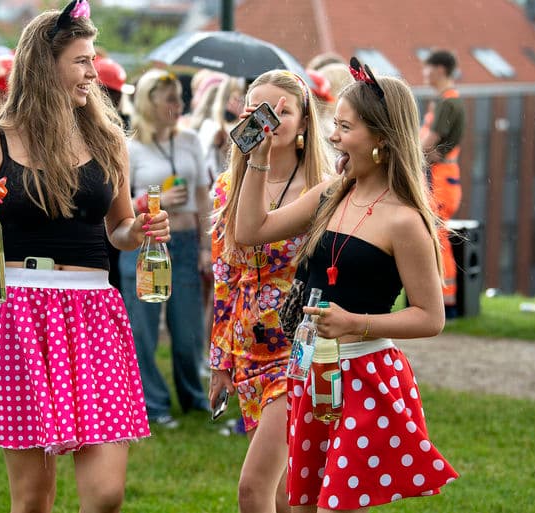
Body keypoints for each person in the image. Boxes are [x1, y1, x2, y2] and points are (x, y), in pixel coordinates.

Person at [0, 2, 169, 511]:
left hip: (93, 310)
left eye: (92, 59)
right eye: (82, 60)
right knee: (33, 499)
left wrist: (143, 229)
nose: (93, 72)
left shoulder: (107, 138)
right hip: (17, 315)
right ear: (45, 67)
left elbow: (119, 231)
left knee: (106, 494)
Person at [235, 57, 458, 511]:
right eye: (334, 124)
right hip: (310, 368)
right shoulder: (331, 193)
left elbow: (430, 318)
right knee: (299, 502)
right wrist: (257, 160)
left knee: (332, 505)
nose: (332, 135)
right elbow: (250, 230)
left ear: (380, 138)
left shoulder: (405, 221)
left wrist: (355, 321)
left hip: (365, 376)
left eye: (345, 126)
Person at [208, 70, 330, 512]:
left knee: (254, 488)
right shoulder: (228, 187)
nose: (271, 120)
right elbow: (225, 280)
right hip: (247, 349)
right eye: (259, 109)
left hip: (299, 346)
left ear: (303, 123)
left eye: (284, 110)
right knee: (287, 492)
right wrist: (220, 362)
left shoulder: (320, 189)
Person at [119, 68, 212, 429]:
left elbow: (203, 195)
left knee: (187, 330)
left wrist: (207, 244)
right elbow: (120, 203)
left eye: (180, 97)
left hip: (186, 241)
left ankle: (193, 398)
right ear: (149, 102)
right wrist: (151, 199)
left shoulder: (189, 140)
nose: (179, 104)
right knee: (142, 327)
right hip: (145, 242)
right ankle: (153, 403)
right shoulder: (130, 147)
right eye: (170, 98)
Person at [419, 49, 466, 318]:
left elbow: (431, 142)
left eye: (427, 68)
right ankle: (443, 299)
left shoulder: (448, 103)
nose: (425, 74)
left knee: (438, 238)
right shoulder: (446, 101)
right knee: (437, 237)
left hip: (440, 180)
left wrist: (408, 154)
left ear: (439, 69)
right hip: (441, 178)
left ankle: (446, 301)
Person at [93, 55, 134, 290]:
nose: (116, 101)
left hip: (112, 233)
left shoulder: (115, 133)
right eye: (113, 94)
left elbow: (121, 222)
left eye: (118, 96)